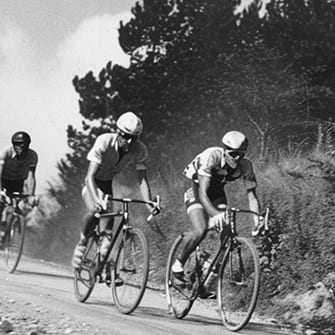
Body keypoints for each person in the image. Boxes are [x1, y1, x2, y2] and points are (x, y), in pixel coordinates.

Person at [170, 130, 260, 291]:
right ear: (224, 150)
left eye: (241, 154)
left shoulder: (246, 166)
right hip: (196, 188)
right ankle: (177, 267)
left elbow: (252, 196)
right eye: (233, 154)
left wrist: (257, 221)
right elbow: (203, 194)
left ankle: (207, 276)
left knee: (228, 232)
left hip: (217, 192)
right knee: (201, 229)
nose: (237, 158)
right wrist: (215, 214)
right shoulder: (212, 156)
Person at [71, 112, 156, 268]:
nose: (129, 141)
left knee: (107, 237)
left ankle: (105, 267)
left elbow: (142, 180)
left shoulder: (139, 150)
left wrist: (148, 202)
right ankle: (83, 242)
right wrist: (96, 199)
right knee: (96, 211)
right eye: (125, 136)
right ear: (118, 132)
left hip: (107, 185)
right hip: (93, 184)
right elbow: (89, 177)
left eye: (134, 138)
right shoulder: (104, 141)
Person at [0, 131, 38, 248]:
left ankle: (5, 233)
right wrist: (0, 190)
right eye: (18, 145)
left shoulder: (32, 156)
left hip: (17, 182)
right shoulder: (6, 153)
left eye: (24, 145)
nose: (21, 149)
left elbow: (31, 176)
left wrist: (31, 194)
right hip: (2, 180)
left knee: (16, 207)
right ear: (13, 144)